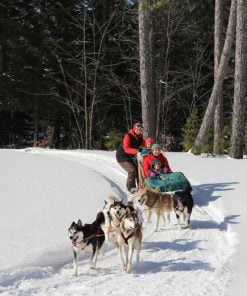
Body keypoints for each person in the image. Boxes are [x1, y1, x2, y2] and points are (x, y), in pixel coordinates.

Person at [116, 122, 145, 193]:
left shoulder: (140, 139)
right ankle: (131, 188)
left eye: (140, 130)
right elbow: (126, 148)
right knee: (132, 170)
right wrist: (137, 151)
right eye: (137, 129)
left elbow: (144, 146)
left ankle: (141, 187)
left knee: (139, 170)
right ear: (134, 129)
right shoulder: (128, 136)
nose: (139, 131)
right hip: (122, 156)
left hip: (131, 157)